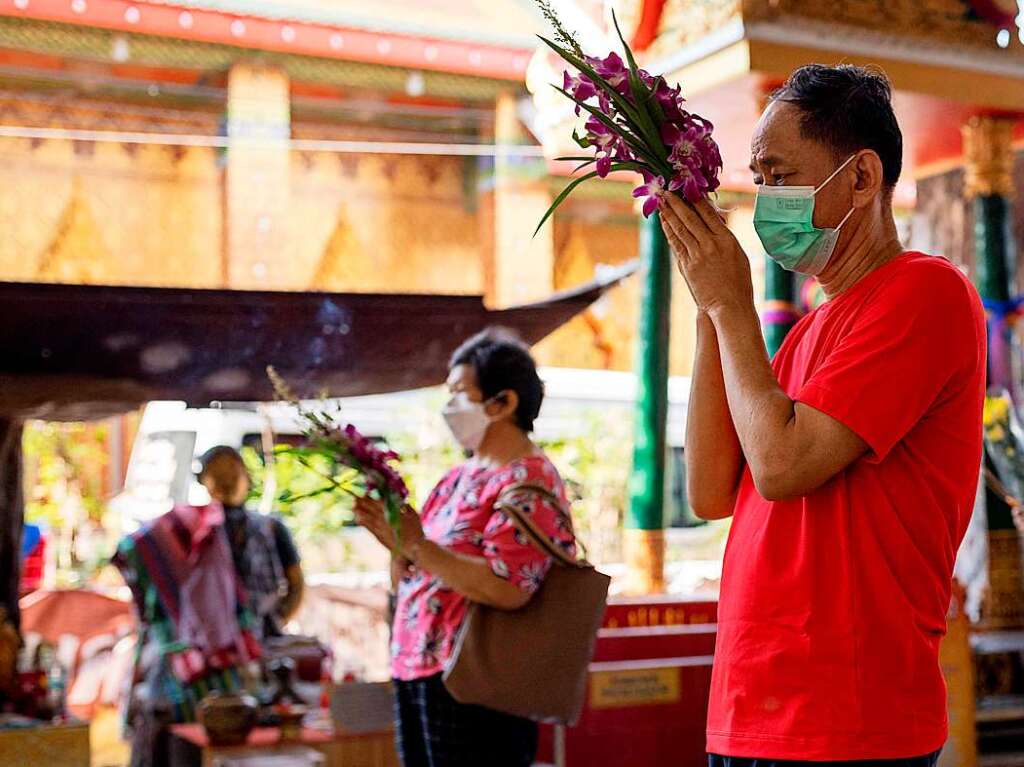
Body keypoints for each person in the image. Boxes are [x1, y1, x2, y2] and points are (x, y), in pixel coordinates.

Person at [658, 64, 986, 766]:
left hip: (845, 716)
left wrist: (732, 307)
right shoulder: (808, 330)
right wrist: (708, 313)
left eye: (780, 176)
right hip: (751, 703)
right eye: (760, 178)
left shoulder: (925, 293)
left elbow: (780, 466)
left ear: (863, 179)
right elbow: (711, 487)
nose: (765, 198)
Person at [354, 328, 576, 767]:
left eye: (460, 393)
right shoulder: (458, 478)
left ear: (504, 403)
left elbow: (508, 587)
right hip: (419, 668)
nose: (448, 407)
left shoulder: (528, 480)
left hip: (474, 682)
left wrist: (416, 544)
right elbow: (415, 571)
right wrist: (399, 547)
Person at [196, 446, 304, 637]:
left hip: (263, 636)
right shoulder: (197, 532)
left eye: (232, 471)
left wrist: (277, 620)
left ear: (247, 477)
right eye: (218, 473)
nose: (227, 480)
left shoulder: (271, 529)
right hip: (212, 639)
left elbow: (296, 584)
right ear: (204, 481)